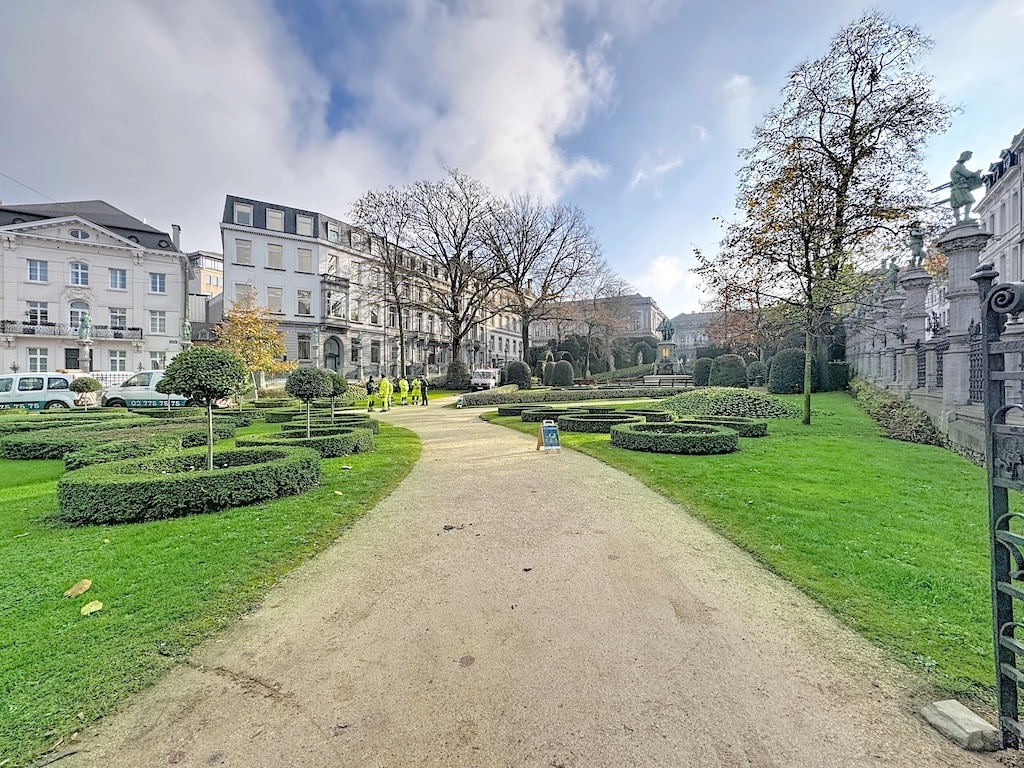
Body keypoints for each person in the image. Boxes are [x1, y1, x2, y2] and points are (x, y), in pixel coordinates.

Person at [950, 150, 984, 225]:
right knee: (970, 200)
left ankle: (958, 220)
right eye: (969, 156)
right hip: (960, 187)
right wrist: (976, 173)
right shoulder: (959, 167)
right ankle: (966, 218)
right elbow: (967, 174)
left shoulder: (956, 167)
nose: (969, 158)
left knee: (956, 205)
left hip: (955, 188)